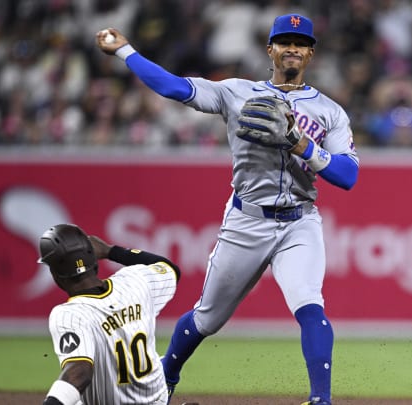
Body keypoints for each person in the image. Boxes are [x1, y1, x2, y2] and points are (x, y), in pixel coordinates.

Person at [96, 13, 359, 405]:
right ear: (269, 49)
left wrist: (302, 144)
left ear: (310, 54)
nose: (292, 49)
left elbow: (348, 175)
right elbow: (173, 87)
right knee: (207, 318)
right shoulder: (235, 91)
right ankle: (163, 379)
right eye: (284, 41)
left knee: (309, 302)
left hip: (299, 221)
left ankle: (321, 400)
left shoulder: (330, 112)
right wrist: (126, 50)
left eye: (300, 43)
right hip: (246, 220)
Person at [39, 224, 181, 405]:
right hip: (156, 402)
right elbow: (169, 268)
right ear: (93, 257)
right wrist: (110, 251)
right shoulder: (135, 281)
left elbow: (79, 373)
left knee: (70, 399)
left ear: (55, 274)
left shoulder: (69, 315)